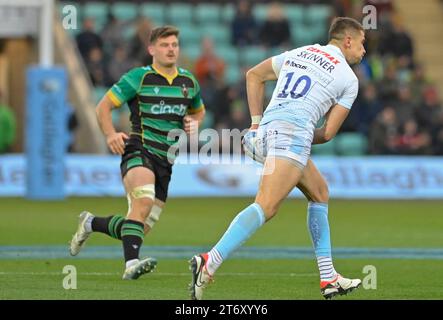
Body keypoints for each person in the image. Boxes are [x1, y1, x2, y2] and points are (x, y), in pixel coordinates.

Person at [189, 17, 366, 300]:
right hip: (293, 135)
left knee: (319, 192)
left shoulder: (300, 52)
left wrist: (256, 125)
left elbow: (252, 75)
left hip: (267, 132)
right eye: (361, 43)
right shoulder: (348, 78)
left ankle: (328, 277)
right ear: (347, 41)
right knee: (267, 206)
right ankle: (210, 261)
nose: (363, 50)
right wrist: (303, 135)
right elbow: (329, 133)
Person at [70, 26, 205, 280]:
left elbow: (198, 111)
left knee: (138, 227)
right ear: (151, 49)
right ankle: (131, 264)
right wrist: (110, 134)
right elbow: (103, 106)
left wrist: (193, 122)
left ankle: (91, 223)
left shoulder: (189, 82)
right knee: (143, 201)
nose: (171, 49)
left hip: (166, 161)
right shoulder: (139, 77)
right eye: (165, 45)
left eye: (174, 44)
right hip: (139, 149)